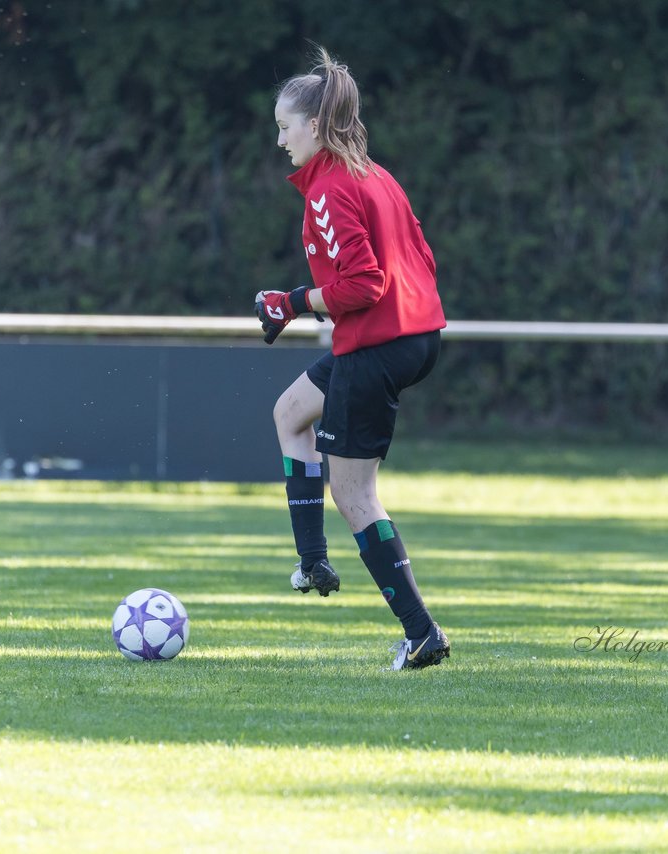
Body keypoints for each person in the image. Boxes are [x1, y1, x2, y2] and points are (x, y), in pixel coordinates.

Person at [254, 47, 450, 671]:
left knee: (353, 492)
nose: (280, 138)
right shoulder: (374, 174)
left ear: (314, 126)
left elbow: (365, 284)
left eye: (285, 127)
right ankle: (312, 563)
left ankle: (422, 633)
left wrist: (292, 301)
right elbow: (422, 256)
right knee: (291, 413)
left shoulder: (329, 191)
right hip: (413, 337)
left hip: (379, 345)